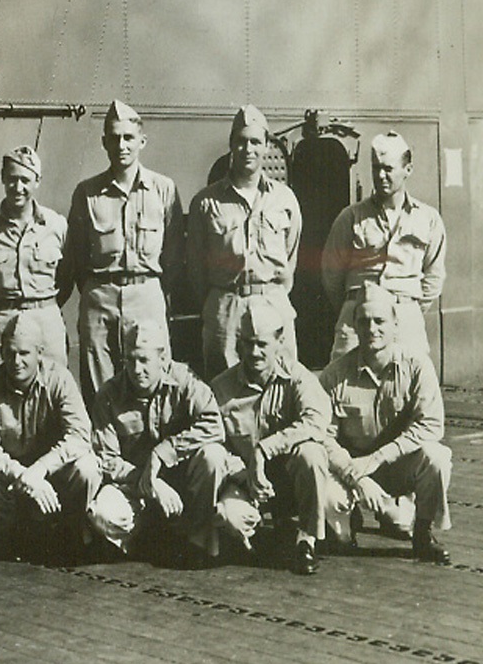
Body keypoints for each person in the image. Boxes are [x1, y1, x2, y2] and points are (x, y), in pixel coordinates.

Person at [319, 284, 452, 565]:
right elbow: (324, 438)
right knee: (335, 520)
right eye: (364, 320)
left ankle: (422, 533)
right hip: (353, 469)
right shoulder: (334, 375)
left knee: (437, 457)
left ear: (395, 324)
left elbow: (431, 425)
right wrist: (357, 478)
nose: (372, 328)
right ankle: (348, 518)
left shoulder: (417, 366)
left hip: (397, 465)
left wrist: (379, 457)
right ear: (353, 325)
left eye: (379, 321)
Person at [63, 100, 185, 406]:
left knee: (153, 384)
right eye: (114, 137)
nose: (122, 145)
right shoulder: (86, 192)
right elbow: (77, 256)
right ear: (104, 142)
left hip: (146, 295)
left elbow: (174, 254)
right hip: (100, 300)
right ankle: (104, 452)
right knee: (99, 390)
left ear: (142, 141)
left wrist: (153, 291)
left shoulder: (163, 189)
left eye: (128, 137)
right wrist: (98, 291)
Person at [210, 299, 332, 575]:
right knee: (232, 518)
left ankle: (307, 540)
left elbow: (316, 420)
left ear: (279, 341)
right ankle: (261, 535)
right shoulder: (221, 388)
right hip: (247, 482)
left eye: (262, 344)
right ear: (238, 344)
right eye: (248, 343)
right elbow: (213, 442)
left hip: (290, 478)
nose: (254, 352)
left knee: (312, 454)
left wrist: (264, 450)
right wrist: (245, 473)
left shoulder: (298, 378)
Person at [88, 322, 227, 564]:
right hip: (135, 485)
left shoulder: (185, 381)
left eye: (144, 360)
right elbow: (107, 459)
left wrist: (164, 452)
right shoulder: (109, 395)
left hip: (182, 483)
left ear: (162, 358)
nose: (136, 369)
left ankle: (196, 538)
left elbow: (214, 426)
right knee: (101, 514)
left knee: (213, 456)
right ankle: (142, 535)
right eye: (130, 360)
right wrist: (151, 482)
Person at [0, 315, 101, 563]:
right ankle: (15, 536)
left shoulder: (60, 379)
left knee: (88, 469)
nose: (16, 361)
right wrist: (24, 475)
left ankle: (70, 530)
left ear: (39, 353)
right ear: (0, 351)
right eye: (9, 353)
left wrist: (40, 469)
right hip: (12, 477)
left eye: (24, 353)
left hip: (52, 472)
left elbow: (80, 435)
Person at [187, 107, 301, 378]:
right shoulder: (206, 202)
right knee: (223, 392)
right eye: (240, 141)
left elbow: (291, 255)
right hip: (226, 309)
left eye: (255, 142)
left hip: (273, 302)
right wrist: (219, 303)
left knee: (279, 388)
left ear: (266, 146)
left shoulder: (285, 200)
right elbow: (195, 267)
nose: (247, 149)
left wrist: (273, 293)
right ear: (231, 144)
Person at [321, 130, 446, 359]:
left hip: (405, 320)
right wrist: (355, 305)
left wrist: (406, 307)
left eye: (388, 169)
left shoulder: (428, 219)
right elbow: (331, 274)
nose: (380, 175)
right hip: (357, 320)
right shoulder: (350, 217)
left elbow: (434, 276)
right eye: (376, 168)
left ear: (407, 169)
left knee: (407, 383)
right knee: (345, 387)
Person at [0, 145, 69, 376]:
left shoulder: (56, 225)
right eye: (12, 179)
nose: (18, 187)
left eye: (25, 180)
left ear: (37, 181)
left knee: (53, 387)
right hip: (1, 322)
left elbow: (67, 276)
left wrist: (41, 307)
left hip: (46, 320)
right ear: (3, 179)